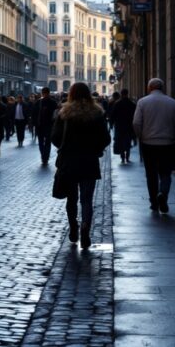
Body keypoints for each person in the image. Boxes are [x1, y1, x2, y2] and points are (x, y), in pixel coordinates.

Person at [51, 82, 111, 249]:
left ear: (71, 94)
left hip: (69, 161)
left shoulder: (64, 113)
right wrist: (96, 149)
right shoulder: (96, 113)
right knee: (87, 199)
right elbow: (106, 138)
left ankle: (73, 228)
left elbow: (55, 137)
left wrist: (65, 147)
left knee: (71, 198)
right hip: (89, 161)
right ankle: (85, 227)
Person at [132, 78, 175, 213]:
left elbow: (136, 123)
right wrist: (174, 137)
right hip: (167, 144)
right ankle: (163, 194)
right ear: (162, 88)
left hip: (148, 143)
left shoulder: (142, 102)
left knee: (151, 174)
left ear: (150, 88)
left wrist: (141, 137)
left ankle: (154, 203)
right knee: (166, 173)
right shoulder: (172, 103)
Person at [109, 89, 136, 164]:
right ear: (127, 94)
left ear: (121, 94)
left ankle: (122, 157)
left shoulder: (117, 103)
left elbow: (113, 115)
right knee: (128, 141)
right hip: (129, 126)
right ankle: (127, 157)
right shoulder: (132, 104)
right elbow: (135, 116)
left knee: (120, 141)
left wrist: (111, 124)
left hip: (119, 126)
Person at [34, 87, 59, 166]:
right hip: (44, 125)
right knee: (44, 142)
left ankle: (44, 157)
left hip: (45, 125)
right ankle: (45, 157)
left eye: (45, 93)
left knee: (44, 142)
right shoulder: (41, 102)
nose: (44, 94)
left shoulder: (50, 102)